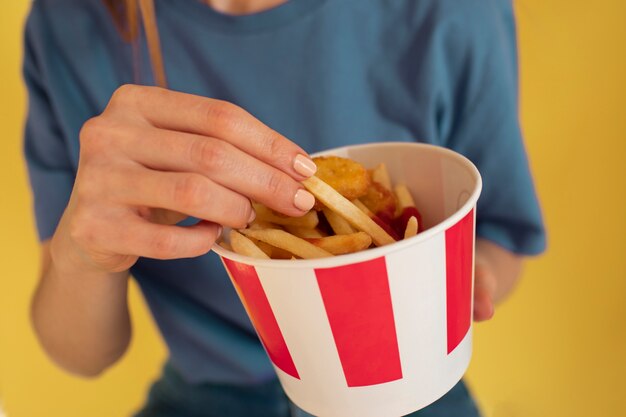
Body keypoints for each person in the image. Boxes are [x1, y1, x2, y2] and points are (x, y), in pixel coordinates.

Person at [23, 0, 546, 416]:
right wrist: (84, 257)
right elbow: (80, 354)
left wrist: (463, 277)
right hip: (208, 393)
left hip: (412, 386)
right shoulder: (67, 25)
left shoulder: (455, 11)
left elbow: (499, 235)